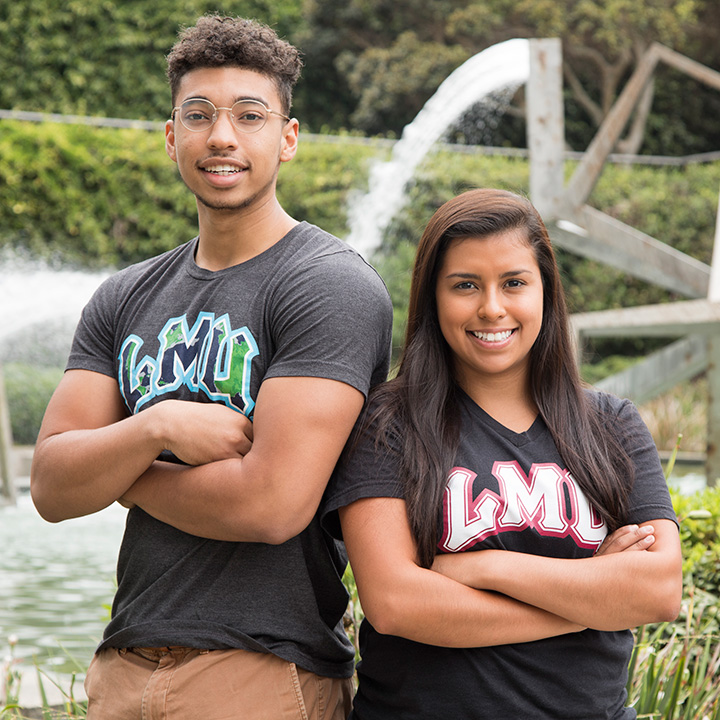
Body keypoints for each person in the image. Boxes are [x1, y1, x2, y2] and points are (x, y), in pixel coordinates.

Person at [30, 14, 392, 720]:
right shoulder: (124, 295)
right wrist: (153, 427)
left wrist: (119, 477)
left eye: (249, 116)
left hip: (260, 669)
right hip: (122, 667)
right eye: (199, 115)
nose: (221, 136)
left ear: (287, 138)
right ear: (172, 138)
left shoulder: (328, 285)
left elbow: (272, 505)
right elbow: (49, 485)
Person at [322, 188, 682, 720]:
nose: (492, 308)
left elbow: (657, 590)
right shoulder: (386, 425)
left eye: (514, 283)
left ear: (545, 291)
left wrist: (487, 567)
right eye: (465, 285)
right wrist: (591, 603)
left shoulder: (611, 425)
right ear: (433, 297)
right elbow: (397, 603)